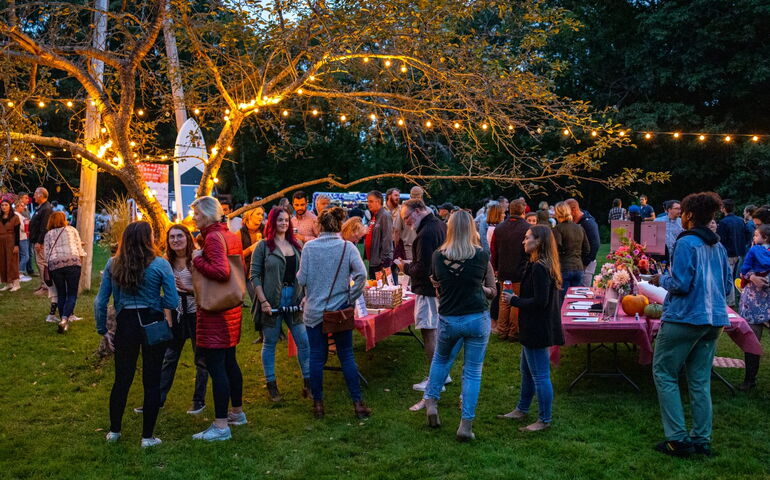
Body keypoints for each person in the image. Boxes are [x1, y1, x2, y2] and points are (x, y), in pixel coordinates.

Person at [649, 192, 732, 458]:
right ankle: (701, 439)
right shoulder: (718, 246)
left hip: (685, 318)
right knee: (699, 380)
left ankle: (677, 439)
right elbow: (728, 287)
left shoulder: (686, 243)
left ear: (689, 215)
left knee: (664, 373)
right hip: (714, 320)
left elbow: (680, 284)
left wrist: (660, 279)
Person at [94, 221, 179, 448]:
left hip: (126, 324)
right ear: (148, 239)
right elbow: (172, 300)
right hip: (152, 321)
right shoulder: (161, 264)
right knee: (151, 380)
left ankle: (114, 431)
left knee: (122, 379)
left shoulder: (113, 264)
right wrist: (156, 302)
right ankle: (147, 437)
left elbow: (100, 301)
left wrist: (102, 328)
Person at [422, 210, 495, 442]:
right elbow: (492, 292)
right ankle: (465, 424)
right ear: (471, 228)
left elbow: (439, 289)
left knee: (441, 360)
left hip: (449, 318)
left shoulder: (437, 256)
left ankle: (432, 404)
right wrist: (479, 288)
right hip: (476, 317)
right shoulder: (482, 256)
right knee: (472, 372)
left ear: (450, 228)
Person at [297, 206, 370, 419]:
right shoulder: (347, 248)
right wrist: (350, 298)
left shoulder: (310, 248)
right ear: (339, 225)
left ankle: (318, 404)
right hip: (340, 311)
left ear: (319, 225)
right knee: (346, 355)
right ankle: (357, 403)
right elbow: (361, 276)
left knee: (317, 358)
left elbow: (301, 279)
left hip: (314, 312)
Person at [190, 196, 246, 441]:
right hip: (231, 306)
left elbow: (222, 272)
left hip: (216, 311)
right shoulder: (231, 235)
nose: (194, 218)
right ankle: (237, 413)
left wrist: (197, 259)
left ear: (208, 215)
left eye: (197, 214)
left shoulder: (212, 237)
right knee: (230, 361)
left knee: (217, 366)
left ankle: (221, 425)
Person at [499, 225, 564, 432]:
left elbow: (540, 302)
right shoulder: (539, 264)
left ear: (539, 242)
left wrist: (514, 300)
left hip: (537, 328)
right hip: (533, 327)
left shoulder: (540, 268)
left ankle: (544, 419)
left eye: (527, 238)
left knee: (540, 375)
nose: (523, 241)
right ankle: (522, 408)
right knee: (526, 371)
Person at [142, 224, 209, 415]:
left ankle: (199, 400)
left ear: (187, 238)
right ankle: (157, 399)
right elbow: (164, 292)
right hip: (176, 313)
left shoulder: (197, 258)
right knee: (169, 357)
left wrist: (188, 290)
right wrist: (168, 319)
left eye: (180, 236)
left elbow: (207, 288)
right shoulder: (165, 262)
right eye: (172, 237)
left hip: (197, 312)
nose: (176, 240)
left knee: (201, 358)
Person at [250, 207, 311, 402]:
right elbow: (254, 275)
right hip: (272, 300)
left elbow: (305, 273)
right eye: (279, 220)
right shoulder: (263, 247)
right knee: (270, 342)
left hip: (294, 298)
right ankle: (271, 385)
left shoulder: (297, 245)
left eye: (286, 220)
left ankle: (308, 384)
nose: (284, 223)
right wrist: (263, 301)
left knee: (304, 342)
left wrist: (305, 295)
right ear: (272, 222)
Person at [394, 199, 448, 396]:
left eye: (407, 217)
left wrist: (405, 267)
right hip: (438, 289)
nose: (407, 222)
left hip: (427, 290)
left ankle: (436, 380)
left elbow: (423, 268)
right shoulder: (439, 225)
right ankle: (443, 374)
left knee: (429, 332)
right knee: (438, 332)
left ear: (418, 211)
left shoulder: (425, 234)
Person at [737, 225, 770, 391]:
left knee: (753, 337)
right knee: (752, 337)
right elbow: (744, 270)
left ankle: (750, 380)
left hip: (759, 298)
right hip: (754, 299)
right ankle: (750, 379)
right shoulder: (754, 248)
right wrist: (752, 276)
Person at [491, 199, 529, 340]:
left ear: (509, 210)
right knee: (516, 302)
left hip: (504, 270)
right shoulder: (527, 228)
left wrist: (495, 267)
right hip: (520, 270)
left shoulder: (499, 228)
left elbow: (493, 250)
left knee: (504, 301)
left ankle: (502, 330)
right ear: (523, 210)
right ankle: (513, 332)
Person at [44, 211, 86, 333]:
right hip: (72, 262)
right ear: (64, 220)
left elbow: (46, 253)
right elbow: (79, 247)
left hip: (55, 265)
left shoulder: (48, 234)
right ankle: (64, 319)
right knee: (72, 293)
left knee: (61, 293)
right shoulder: (71, 230)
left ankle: (63, 321)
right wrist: (80, 261)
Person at [552, 202, 589, 298]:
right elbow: (587, 249)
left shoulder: (557, 229)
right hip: (578, 267)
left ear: (557, 213)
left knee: (563, 301)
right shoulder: (580, 228)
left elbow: (555, 248)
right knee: (576, 301)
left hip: (564, 268)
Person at [717, 199, 748, 307]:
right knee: (734, 277)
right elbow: (746, 235)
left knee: (727, 277)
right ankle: (734, 301)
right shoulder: (740, 220)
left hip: (728, 253)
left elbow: (720, 240)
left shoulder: (723, 222)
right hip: (739, 253)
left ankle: (730, 302)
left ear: (724, 208)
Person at [565, 198, 600, 287]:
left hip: (586, 264)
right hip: (575, 263)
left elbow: (595, 245)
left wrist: (585, 263)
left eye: (566, 211)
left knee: (583, 289)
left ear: (574, 210)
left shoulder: (588, 224)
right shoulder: (574, 222)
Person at [364, 190, 393, 279]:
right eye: (368, 201)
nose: (368, 204)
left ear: (379, 201)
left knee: (381, 289)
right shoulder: (374, 216)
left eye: (371, 201)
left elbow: (387, 238)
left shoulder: (384, 215)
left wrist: (384, 260)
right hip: (373, 260)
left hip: (380, 262)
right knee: (374, 287)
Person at [29, 187, 53, 294]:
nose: (33, 196)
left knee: (42, 263)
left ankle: (46, 287)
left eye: (35, 194)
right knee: (39, 263)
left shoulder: (46, 209)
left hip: (41, 241)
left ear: (41, 195)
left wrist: (39, 242)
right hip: (36, 240)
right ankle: (43, 284)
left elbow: (44, 227)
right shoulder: (40, 207)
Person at [0, 197, 21, 292]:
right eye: (2, 205)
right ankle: (8, 283)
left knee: (12, 262)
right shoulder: (0, 217)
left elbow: (17, 233)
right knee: (3, 262)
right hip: (1, 242)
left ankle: (16, 283)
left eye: (6, 205)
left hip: (11, 241)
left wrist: (16, 245)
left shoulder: (15, 217)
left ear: (10, 206)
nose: (4, 207)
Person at [14, 195, 31, 282]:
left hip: (22, 237)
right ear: (17, 206)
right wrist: (27, 225)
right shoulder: (17, 215)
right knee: (26, 256)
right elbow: (23, 228)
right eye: (22, 206)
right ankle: (20, 274)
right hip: (22, 237)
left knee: (22, 256)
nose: (23, 207)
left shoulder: (18, 215)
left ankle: (19, 273)